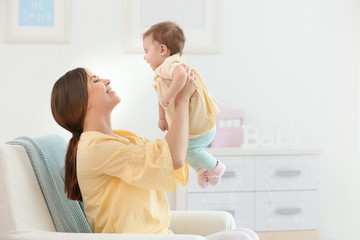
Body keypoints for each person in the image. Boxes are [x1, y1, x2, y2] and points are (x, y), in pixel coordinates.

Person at [51, 67, 259, 240]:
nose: (106, 80)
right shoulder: (94, 147)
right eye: (95, 80)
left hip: (160, 235)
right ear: (81, 102)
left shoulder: (118, 139)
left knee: (245, 234)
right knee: (243, 237)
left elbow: (168, 153)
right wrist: (181, 101)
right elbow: (171, 158)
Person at [143, 21, 225, 188]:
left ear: (163, 50)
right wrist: (162, 118)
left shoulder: (171, 64)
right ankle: (201, 168)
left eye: (146, 51)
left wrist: (170, 94)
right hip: (197, 128)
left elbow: (180, 75)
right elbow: (161, 98)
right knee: (182, 150)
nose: (144, 56)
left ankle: (215, 167)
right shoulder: (161, 74)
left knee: (184, 150)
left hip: (199, 128)